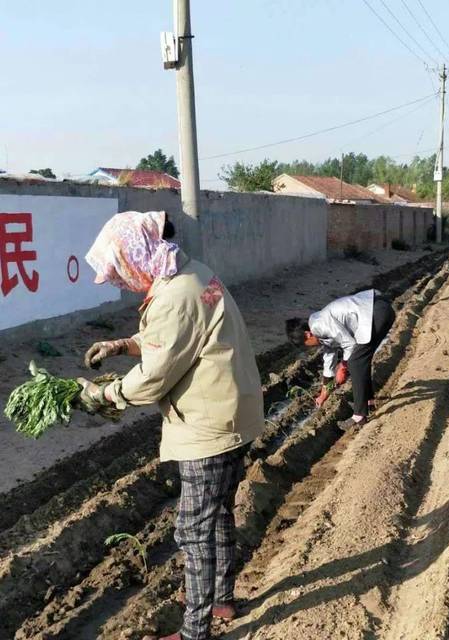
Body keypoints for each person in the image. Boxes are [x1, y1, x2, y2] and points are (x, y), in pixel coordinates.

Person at [79, 211, 264, 640]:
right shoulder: (193, 274)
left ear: (137, 254)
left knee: (192, 530)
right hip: (234, 411)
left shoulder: (178, 294)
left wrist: (106, 395)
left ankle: (194, 632)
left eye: (121, 267)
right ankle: (221, 599)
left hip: (209, 427)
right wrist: (124, 344)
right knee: (217, 515)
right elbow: (177, 334)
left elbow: (155, 376)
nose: (122, 278)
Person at [285, 289, 395, 431]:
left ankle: (359, 416)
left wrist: (343, 367)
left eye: (306, 345)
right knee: (360, 361)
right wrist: (324, 393)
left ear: (307, 335)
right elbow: (329, 358)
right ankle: (368, 402)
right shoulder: (319, 329)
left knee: (355, 362)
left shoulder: (319, 325)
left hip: (377, 312)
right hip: (379, 310)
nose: (309, 348)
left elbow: (349, 344)